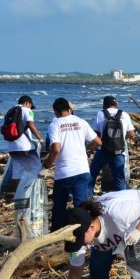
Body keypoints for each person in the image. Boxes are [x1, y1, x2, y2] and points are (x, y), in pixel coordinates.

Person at [43, 97, 102, 232]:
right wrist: (86, 150)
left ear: (55, 112)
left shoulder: (55, 124)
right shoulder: (81, 122)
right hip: (82, 170)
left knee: (59, 206)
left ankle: (57, 234)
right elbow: (98, 142)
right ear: (69, 110)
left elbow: (56, 149)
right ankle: (84, 232)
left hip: (64, 173)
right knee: (81, 205)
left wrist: (46, 165)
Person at [88, 95, 136, 195]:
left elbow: (96, 134)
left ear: (104, 105)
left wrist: (91, 147)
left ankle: (88, 197)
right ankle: (122, 199)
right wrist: (123, 140)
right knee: (119, 178)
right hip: (119, 151)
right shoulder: (124, 114)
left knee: (92, 174)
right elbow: (131, 133)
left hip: (103, 151)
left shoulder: (100, 114)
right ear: (116, 104)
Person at [6, 95, 44, 188]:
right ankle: (36, 192)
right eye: (31, 106)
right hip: (25, 147)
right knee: (37, 168)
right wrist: (40, 139)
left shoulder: (9, 111)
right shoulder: (27, 110)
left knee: (17, 171)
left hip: (12, 147)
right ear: (27, 103)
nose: (31, 108)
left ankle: (18, 194)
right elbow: (31, 125)